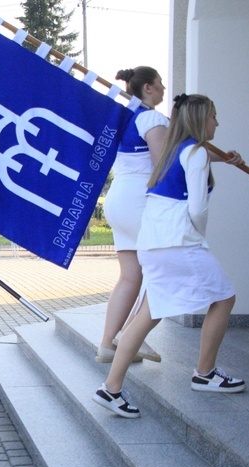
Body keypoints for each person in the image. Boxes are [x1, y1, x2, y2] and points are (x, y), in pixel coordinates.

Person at [93, 94, 246, 419]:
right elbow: (197, 208)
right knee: (225, 298)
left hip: (154, 243)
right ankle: (204, 373)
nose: (217, 123)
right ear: (201, 120)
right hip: (179, 243)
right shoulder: (196, 153)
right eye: (214, 116)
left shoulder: (176, 152)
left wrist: (224, 159)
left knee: (149, 314)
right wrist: (197, 239)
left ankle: (111, 388)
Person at [98, 66, 169, 364]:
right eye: (160, 83)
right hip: (140, 202)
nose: (164, 87)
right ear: (148, 88)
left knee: (130, 277)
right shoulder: (152, 117)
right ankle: (130, 336)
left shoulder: (126, 118)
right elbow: (164, 164)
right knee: (160, 272)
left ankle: (107, 345)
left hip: (119, 201)